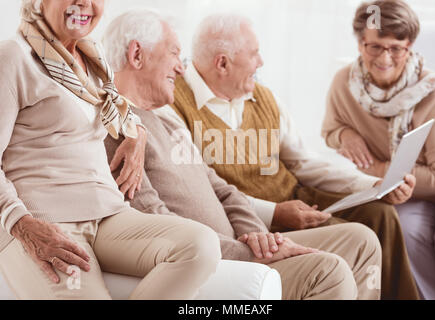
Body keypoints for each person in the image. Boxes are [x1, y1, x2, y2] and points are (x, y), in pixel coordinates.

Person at [102, 9, 384, 300]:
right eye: (174, 54)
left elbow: (223, 190)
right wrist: (248, 252)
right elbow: (159, 225)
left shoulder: (164, 119)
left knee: (361, 240)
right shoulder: (118, 131)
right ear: (137, 55)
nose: (182, 68)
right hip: (219, 262)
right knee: (329, 271)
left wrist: (258, 235)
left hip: (243, 243)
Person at [0, 0, 221, 300]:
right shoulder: (13, 57)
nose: (84, 3)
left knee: (201, 246)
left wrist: (137, 132)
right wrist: (23, 226)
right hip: (44, 221)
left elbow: (117, 108)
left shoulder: (93, 58)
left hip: (108, 215)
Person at [321, 0, 435, 300]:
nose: (385, 58)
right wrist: (344, 134)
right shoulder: (344, 83)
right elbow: (328, 130)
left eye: (396, 48)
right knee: (401, 229)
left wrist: (380, 171)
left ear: (410, 46)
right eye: (375, 47)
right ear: (360, 43)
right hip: (406, 191)